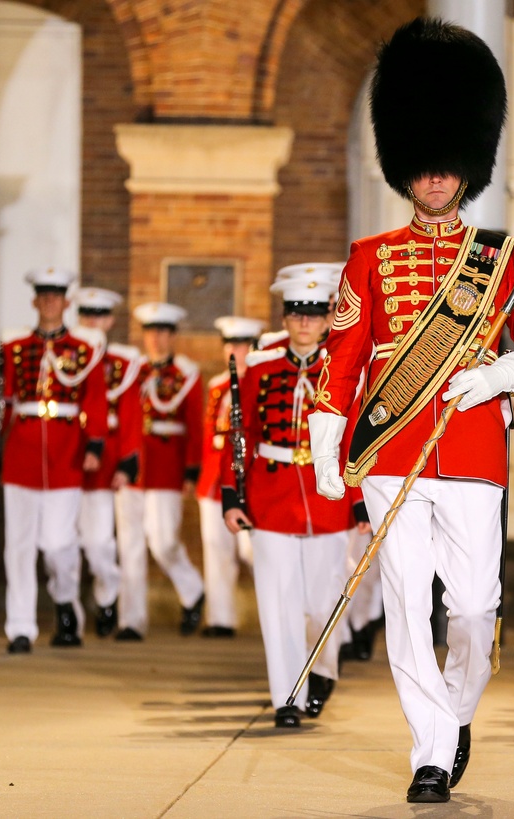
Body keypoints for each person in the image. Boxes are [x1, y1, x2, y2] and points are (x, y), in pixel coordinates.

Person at [307, 17, 514, 804]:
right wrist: (329, 451)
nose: (434, 180)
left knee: (475, 604)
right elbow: (342, 363)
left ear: (466, 169)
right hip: (391, 451)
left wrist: (499, 378)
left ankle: (455, 714)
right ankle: (428, 745)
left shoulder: (501, 256)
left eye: (447, 166)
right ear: (405, 167)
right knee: (404, 601)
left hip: (475, 451)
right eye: (423, 166)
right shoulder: (370, 258)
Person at [223, 265, 356, 727]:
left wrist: (358, 497)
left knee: (323, 604)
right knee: (277, 602)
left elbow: (357, 436)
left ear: (329, 317)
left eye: (315, 312)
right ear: (284, 318)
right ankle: (287, 698)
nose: (304, 321)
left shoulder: (344, 369)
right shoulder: (259, 368)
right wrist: (231, 495)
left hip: (327, 498)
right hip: (270, 495)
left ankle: (322, 667)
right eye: (297, 312)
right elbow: (240, 434)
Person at [0, 267, 107, 652]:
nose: (50, 302)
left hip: (66, 451)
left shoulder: (85, 349)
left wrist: (94, 445)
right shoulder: (14, 347)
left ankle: (65, 598)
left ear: (67, 302)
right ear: (35, 301)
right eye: (43, 295)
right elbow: (1, 396)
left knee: (57, 542)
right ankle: (20, 628)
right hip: (22, 450)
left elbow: (95, 398)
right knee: (18, 545)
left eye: (57, 296)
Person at [115, 302, 205, 640]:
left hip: (167, 466)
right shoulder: (131, 371)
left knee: (163, 541)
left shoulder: (186, 373)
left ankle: (193, 590)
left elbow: (194, 426)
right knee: (130, 546)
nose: (157, 339)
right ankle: (131, 621)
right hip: (133, 467)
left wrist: (191, 472)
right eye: (151, 332)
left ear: (173, 335)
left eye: (164, 332)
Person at [74, 287, 144, 637]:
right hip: (72, 460)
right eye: (86, 314)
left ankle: (108, 596)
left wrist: (128, 461)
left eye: (99, 315)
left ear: (110, 320)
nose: (92, 322)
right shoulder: (68, 356)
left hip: (108, 462)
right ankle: (82, 612)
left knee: (99, 542)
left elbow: (131, 414)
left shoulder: (123, 361)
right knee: (77, 543)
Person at [197, 315, 265, 638]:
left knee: (254, 551)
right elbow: (210, 433)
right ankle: (221, 617)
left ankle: (274, 609)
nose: (233, 350)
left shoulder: (259, 383)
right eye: (229, 344)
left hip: (248, 478)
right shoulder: (216, 385)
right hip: (214, 477)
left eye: (240, 344)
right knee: (216, 548)